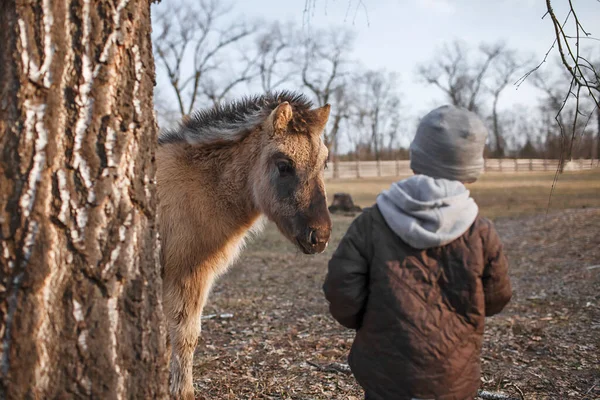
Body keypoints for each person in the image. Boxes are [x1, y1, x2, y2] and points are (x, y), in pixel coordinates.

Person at [323, 105, 512, 400]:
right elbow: (497, 297)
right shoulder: (480, 231)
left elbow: (341, 288)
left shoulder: (372, 222)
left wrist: (370, 321)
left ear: (417, 156)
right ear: (470, 166)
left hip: (383, 373)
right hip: (453, 375)